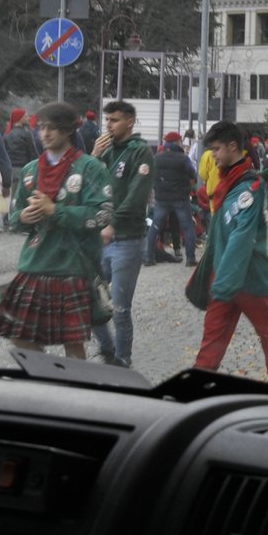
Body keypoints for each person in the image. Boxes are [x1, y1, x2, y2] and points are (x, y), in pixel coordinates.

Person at [0, 102, 114, 360]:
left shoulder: (90, 167)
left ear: (68, 131)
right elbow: (14, 217)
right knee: (18, 334)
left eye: (52, 128)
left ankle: (73, 390)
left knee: (73, 341)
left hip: (72, 265)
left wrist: (55, 211)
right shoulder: (31, 170)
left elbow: (103, 215)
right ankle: (47, 378)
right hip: (34, 263)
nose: (45, 134)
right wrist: (23, 216)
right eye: (41, 128)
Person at [192, 121, 268, 386]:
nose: (213, 155)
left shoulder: (249, 187)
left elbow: (241, 236)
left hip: (246, 277)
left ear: (233, 147)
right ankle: (198, 382)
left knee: (266, 330)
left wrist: (223, 281)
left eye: (216, 149)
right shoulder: (228, 181)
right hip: (223, 274)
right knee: (212, 335)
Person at [89, 100, 155, 368]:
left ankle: (122, 360)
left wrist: (113, 224)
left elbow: (136, 195)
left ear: (129, 121)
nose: (108, 125)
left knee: (119, 308)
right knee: (90, 298)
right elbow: (84, 181)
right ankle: (106, 347)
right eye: (107, 121)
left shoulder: (140, 152)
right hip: (98, 239)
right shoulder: (105, 151)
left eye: (114, 120)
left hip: (126, 239)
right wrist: (93, 154)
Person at [147, 131, 199, 265]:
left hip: (162, 199)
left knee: (155, 226)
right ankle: (191, 258)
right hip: (180, 198)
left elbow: (151, 176)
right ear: (176, 142)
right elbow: (193, 174)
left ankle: (149, 257)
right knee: (187, 227)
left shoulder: (156, 158)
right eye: (180, 140)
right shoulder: (183, 158)